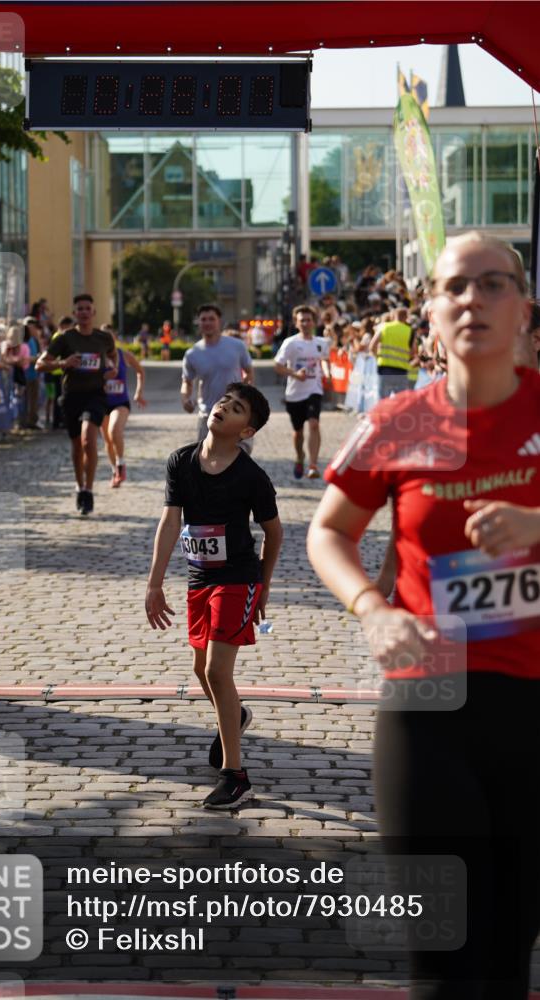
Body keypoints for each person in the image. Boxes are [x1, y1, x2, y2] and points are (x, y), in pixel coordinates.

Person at [307, 232, 540, 998]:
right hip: (427, 702)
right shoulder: (400, 420)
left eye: (493, 284)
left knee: (506, 957)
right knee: (440, 961)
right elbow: (328, 532)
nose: (472, 299)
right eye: (453, 287)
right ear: (429, 315)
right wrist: (371, 607)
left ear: (523, 309)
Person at [145, 383, 283, 809]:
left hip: (238, 578)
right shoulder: (181, 461)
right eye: (224, 400)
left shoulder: (251, 476)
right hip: (199, 578)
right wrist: (154, 583)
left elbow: (274, 533)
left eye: (236, 408)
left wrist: (263, 585)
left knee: (219, 671)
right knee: (202, 670)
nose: (224, 407)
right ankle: (235, 717)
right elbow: (170, 523)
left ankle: (235, 776)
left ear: (246, 431)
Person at [36, 294, 116, 515]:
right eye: (79, 309)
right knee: (76, 446)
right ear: (74, 313)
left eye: (87, 308)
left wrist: (113, 369)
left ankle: (89, 491)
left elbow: (113, 355)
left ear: (94, 312)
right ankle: (80, 486)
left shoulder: (104, 337)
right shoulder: (64, 338)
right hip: (72, 396)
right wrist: (63, 362)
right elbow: (40, 365)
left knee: (88, 439)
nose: (83, 312)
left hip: (96, 395)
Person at [181, 303, 254, 445]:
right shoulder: (192, 353)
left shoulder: (237, 346)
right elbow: (187, 382)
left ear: (219, 321)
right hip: (209, 415)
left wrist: (245, 395)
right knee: (207, 462)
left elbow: (249, 371)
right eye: (203, 319)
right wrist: (185, 399)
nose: (207, 322)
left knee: (239, 460)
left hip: (235, 413)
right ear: (198, 322)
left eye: (211, 319)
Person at [274, 304, 330, 480]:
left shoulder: (321, 343)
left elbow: (325, 361)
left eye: (308, 320)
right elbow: (278, 365)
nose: (305, 323)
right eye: (302, 320)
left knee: (314, 424)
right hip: (294, 393)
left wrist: (327, 374)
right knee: (298, 432)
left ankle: (313, 465)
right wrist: (294, 374)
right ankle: (300, 457)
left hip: (314, 389)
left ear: (314, 322)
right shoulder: (290, 343)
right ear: (296, 323)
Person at [101, 330, 147, 488]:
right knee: (107, 440)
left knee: (114, 431)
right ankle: (114, 471)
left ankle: (121, 464)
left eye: (110, 340)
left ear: (114, 339)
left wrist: (138, 392)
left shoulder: (124, 355)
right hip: (101, 403)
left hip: (120, 402)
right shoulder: (98, 357)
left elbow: (140, 371)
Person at [369, 306, 416, 398]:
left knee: (383, 401)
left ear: (393, 316)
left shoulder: (384, 327)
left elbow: (372, 346)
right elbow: (414, 352)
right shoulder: (410, 331)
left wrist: (378, 357)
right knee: (400, 402)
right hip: (401, 370)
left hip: (384, 368)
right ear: (406, 317)